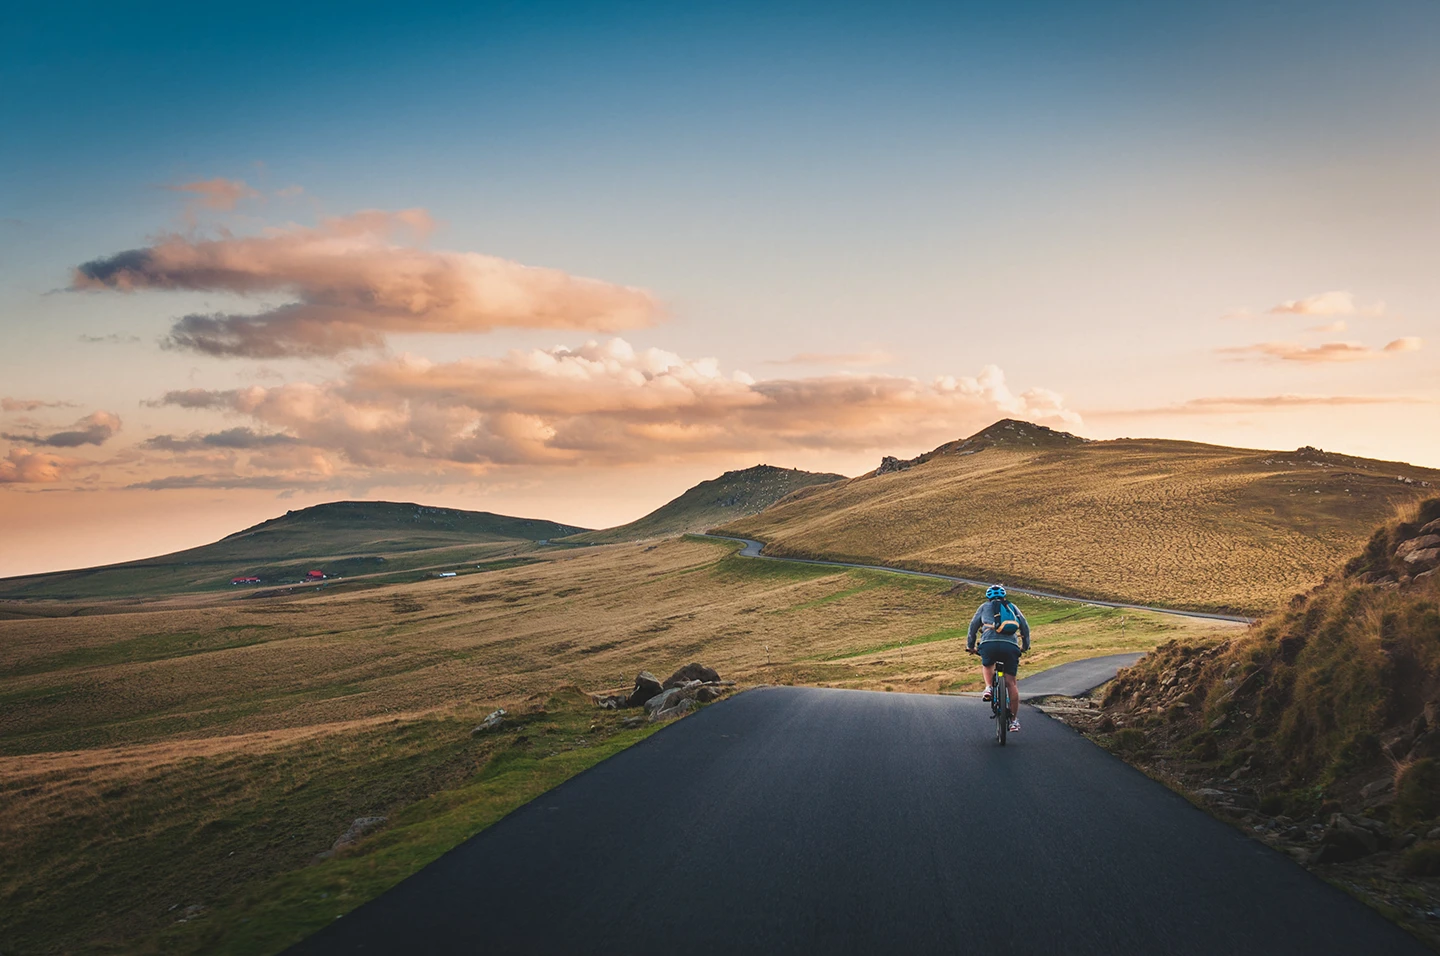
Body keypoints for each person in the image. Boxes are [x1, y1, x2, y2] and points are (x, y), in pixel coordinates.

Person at [966, 584, 1030, 733]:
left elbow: (973, 627)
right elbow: (1025, 627)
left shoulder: (984, 607)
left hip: (989, 644)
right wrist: (1025, 646)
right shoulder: (1012, 607)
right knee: (1011, 683)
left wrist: (970, 646)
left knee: (988, 664)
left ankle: (989, 687)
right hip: (1010, 646)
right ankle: (1014, 721)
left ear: (988, 597)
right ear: (1004, 596)